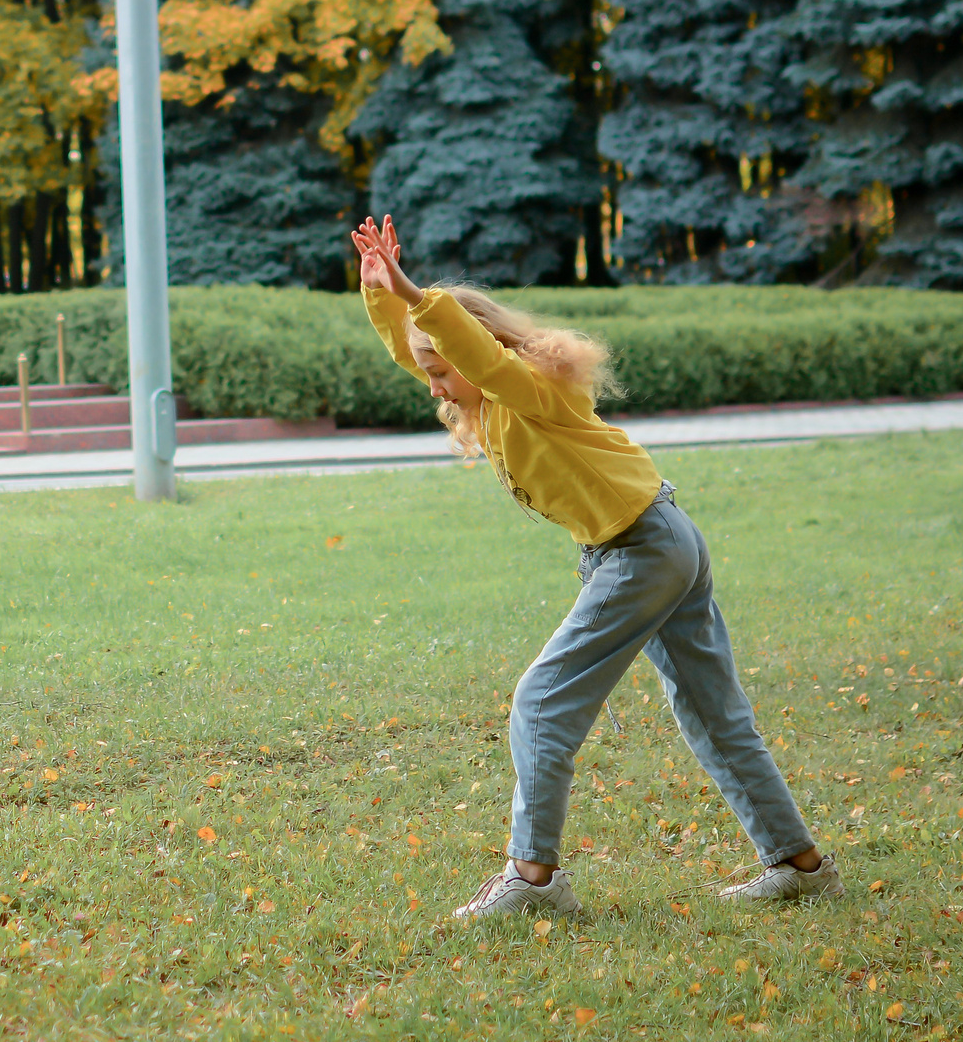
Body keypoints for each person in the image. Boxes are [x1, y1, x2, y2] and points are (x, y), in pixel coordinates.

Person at [348, 214, 839, 919]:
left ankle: (533, 878)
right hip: (659, 539)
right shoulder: (489, 401)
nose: (434, 388)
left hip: (643, 549)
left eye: (439, 372)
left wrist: (418, 294)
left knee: (542, 702)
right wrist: (382, 296)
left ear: (475, 346)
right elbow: (417, 348)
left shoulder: (531, 391)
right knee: (712, 712)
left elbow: (472, 357)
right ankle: (801, 865)